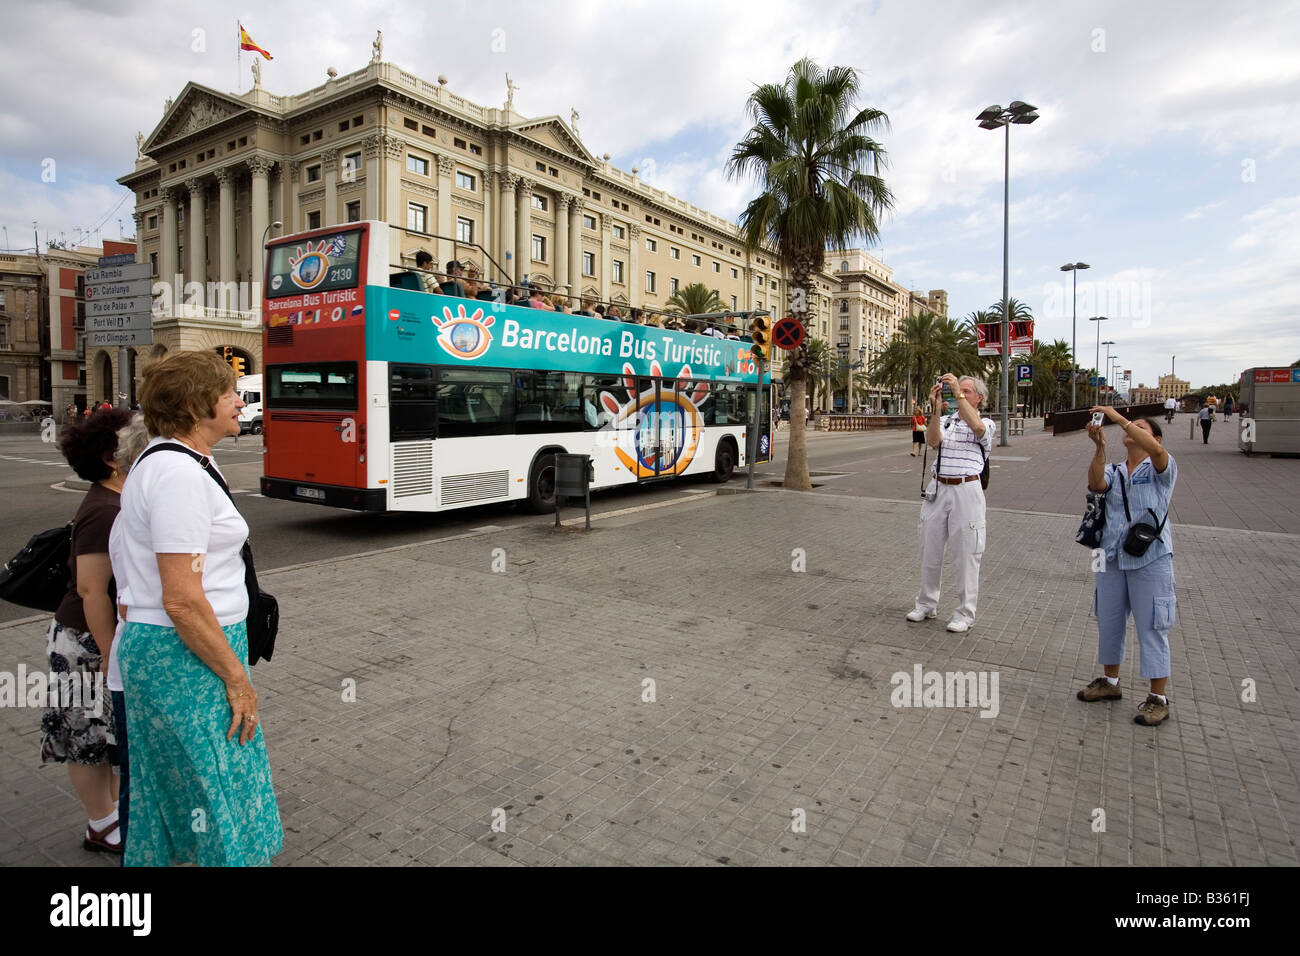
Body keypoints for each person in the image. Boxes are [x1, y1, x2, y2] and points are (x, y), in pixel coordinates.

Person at [115, 350, 283, 866]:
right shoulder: (177, 474)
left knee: (199, 783)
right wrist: (237, 678)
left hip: (186, 646)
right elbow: (183, 600)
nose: (241, 401)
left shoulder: (181, 460)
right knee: (216, 783)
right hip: (183, 650)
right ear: (194, 404)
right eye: (229, 392)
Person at [44, 406, 134, 854]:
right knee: (85, 737)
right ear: (111, 458)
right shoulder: (104, 508)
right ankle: (100, 824)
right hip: (84, 640)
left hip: (96, 638)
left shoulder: (119, 500)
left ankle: (111, 814)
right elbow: (90, 589)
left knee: (105, 735)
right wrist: (107, 652)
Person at [1078, 407, 1177, 726]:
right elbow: (1096, 484)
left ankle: (1157, 698)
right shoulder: (1116, 470)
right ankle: (1110, 682)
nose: (1130, 429)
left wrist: (1118, 417)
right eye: (1130, 427)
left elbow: (1158, 452)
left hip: (1151, 558)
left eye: (1139, 427)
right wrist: (1100, 448)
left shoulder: (1163, 467)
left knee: (1152, 625)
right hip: (1111, 555)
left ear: (1154, 437)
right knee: (1109, 620)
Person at [906, 374, 994, 633]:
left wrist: (956, 392)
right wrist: (935, 409)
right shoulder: (947, 420)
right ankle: (926, 603)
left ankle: (965, 612)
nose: (961, 394)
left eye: (967, 391)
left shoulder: (986, 423)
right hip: (938, 487)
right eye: (959, 391)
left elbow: (977, 428)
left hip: (966, 490)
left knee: (967, 553)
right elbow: (933, 441)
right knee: (929, 548)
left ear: (979, 398)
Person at [104, 412, 150, 860]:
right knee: (141, 777)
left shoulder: (127, 515)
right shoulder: (131, 519)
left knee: (139, 774)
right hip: (139, 667)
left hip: (130, 665)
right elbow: (125, 601)